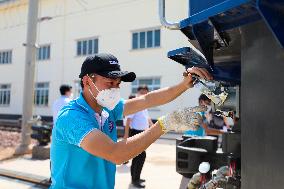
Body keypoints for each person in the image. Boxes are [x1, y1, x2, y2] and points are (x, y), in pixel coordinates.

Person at [50, 53, 212, 189]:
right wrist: (164, 125)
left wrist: (184, 84)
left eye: (118, 84)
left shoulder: (107, 108)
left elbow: (147, 100)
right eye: (110, 83)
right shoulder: (72, 117)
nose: (115, 89)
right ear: (87, 81)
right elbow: (116, 154)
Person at [124, 85, 154, 188]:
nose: (144, 93)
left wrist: (152, 127)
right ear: (138, 92)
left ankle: (137, 177)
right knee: (138, 157)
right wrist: (126, 136)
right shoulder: (135, 103)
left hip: (142, 133)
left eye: (146, 92)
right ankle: (134, 180)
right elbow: (128, 120)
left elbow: (147, 117)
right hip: (135, 133)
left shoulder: (144, 104)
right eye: (142, 92)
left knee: (141, 157)